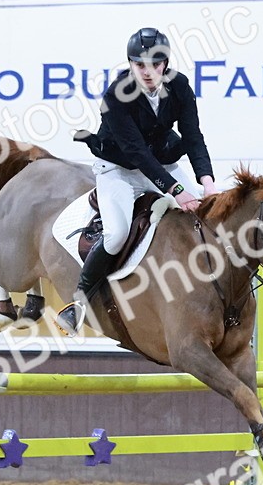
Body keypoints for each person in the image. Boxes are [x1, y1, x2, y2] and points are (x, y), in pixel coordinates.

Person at [58, 27, 219, 336]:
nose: (148, 72)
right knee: (117, 234)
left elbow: (193, 136)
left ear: (166, 63)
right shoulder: (115, 95)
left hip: (163, 160)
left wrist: (207, 183)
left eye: (155, 64)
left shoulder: (180, 86)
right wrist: (176, 189)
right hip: (118, 168)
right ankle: (79, 303)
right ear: (130, 64)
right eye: (140, 64)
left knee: (203, 216)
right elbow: (135, 152)